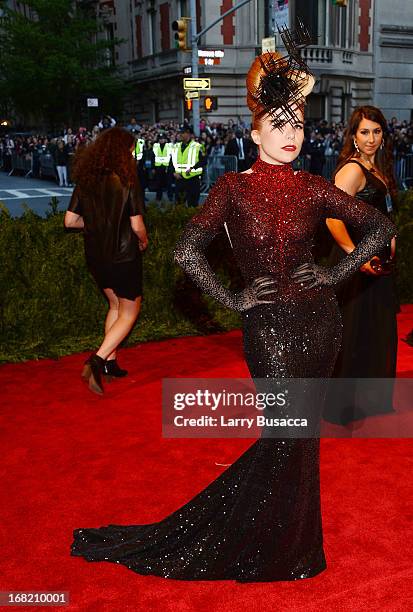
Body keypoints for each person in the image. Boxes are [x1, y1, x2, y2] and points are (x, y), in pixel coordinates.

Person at [71, 38, 395, 580]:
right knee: (284, 434)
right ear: (255, 131)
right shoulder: (231, 189)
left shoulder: (316, 187)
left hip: (320, 324)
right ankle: (259, 539)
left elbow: (380, 227)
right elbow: (184, 252)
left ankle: (294, 548)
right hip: (267, 329)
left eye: (297, 125)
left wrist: (337, 273)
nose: (290, 134)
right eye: (279, 123)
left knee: (301, 437)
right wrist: (234, 298)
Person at [323, 105, 399, 425]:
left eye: (376, 131)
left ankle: (367, 401)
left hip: (376, 265)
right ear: (353, 136)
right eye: (364, 132)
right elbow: (331, 218)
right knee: (353, 334)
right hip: (358, 267)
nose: (371, 138)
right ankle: (342, 408)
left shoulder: (376, 167)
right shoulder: (353, 170)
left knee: (373, 332)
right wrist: (357, 257)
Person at [64, 127, 148, 395]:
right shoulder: (127, 179)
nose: (133, 153)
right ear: (123, 151)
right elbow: (137, 225)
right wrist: (145, 239)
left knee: (114, 304)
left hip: (96, 256)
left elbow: (70, 221)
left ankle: (110, 364)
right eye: (131, 149)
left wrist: (99, 224)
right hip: (123, 256)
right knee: (130, 310)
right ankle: (97, 360)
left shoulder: (86, 180)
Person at [171, 126, 206, 207]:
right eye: (180, 133)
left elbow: (204, 161)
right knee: (179, 204)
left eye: (182, 133)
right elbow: (171, 162)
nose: (180, 135)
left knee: (192, 204)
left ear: (188, 134)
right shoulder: (175, 146)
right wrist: (173, 172)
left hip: (193, 179)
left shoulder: (199, 146)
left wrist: (192, 168)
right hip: (179, 179)